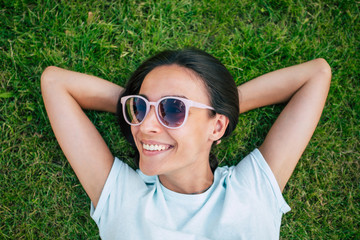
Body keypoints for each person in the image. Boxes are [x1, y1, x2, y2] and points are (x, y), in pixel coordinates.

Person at [41, 48, 331, 239]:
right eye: (140, 110)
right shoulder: (123, 198)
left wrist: (220, 109)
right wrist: (150, 107)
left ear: (217, 126)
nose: (145, 126)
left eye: (173, 109)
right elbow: (55, 82)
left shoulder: (250, 190)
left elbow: (316, 74)